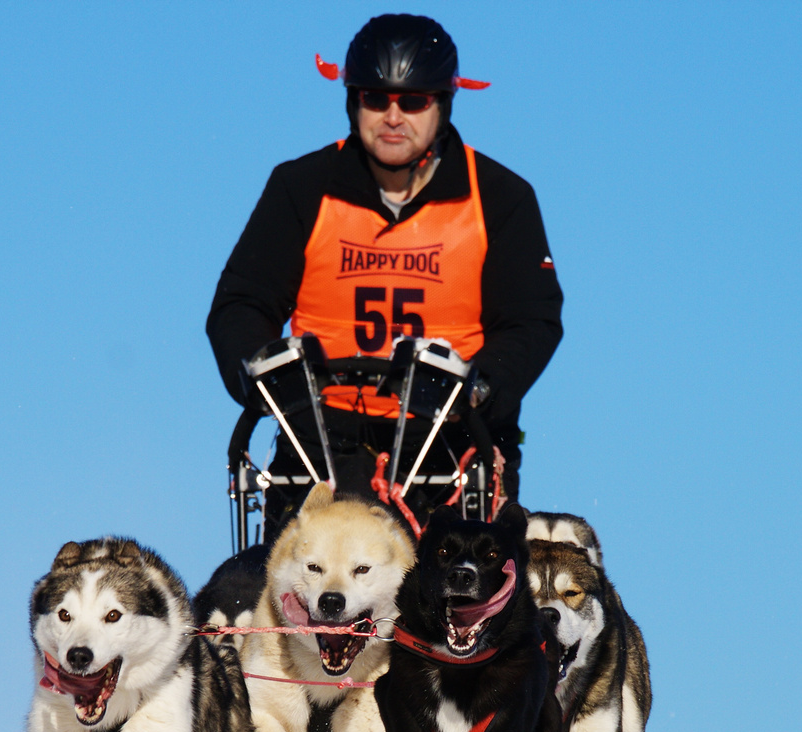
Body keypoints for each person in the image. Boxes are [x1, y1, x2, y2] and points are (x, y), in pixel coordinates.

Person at [207, 13, 561, 535]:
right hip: (318, 438)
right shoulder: (301, 187)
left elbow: (531, 321)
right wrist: (261, 373)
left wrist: (486, 387)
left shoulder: (501, 198)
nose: (393, 116)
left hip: (450, 442)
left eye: (413, 101)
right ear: (353, 102)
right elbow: (242, 303)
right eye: (377, 99)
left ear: (443, 104)